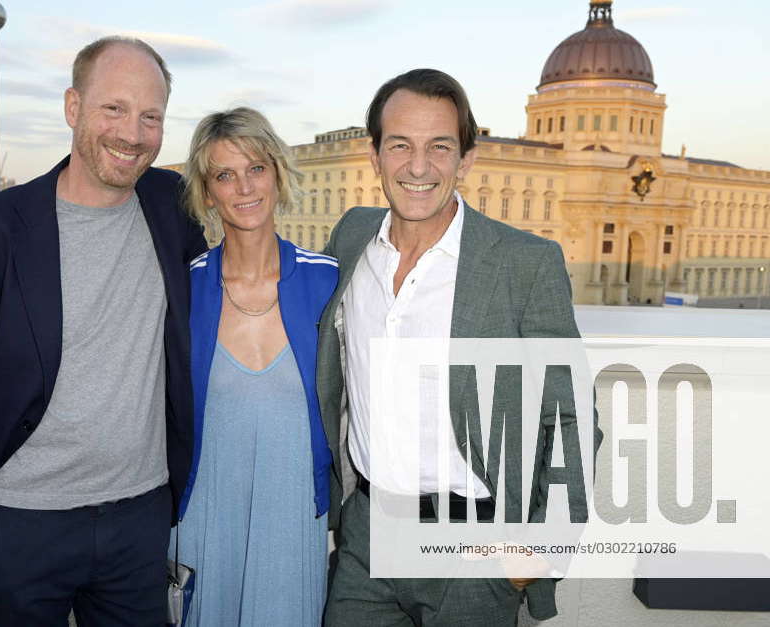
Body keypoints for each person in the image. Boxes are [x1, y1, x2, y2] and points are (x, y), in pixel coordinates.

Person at [0, 37, 207, 626]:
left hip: (140, 522)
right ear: (73, 107)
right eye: (114, 109)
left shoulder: (172, 206)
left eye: (151, 116)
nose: (133, 133)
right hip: (20, 526)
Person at [317, 69, 602, 626]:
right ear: (374, 155)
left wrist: (543, 547)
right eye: (400, 145)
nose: (418, 167)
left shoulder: (523, 263)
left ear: (465, 160)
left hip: (477, 546)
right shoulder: (352, 238)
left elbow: (570, 416)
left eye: (439, 147)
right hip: (366, 536)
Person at [174, 107, 337, 626]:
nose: (244, 186)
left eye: (256, 168)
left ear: (277, 174)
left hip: (295, 519)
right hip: (203, 516)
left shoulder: (328, 281)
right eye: (225, 174)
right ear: (206, 190)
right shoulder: (185, 287)